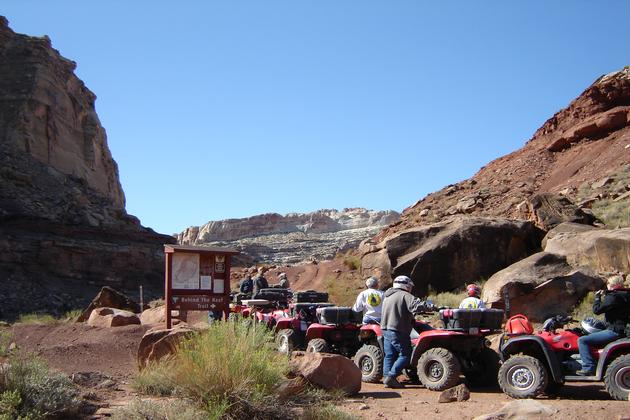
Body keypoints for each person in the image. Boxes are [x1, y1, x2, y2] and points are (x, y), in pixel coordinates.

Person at [381, 275, 436, 389]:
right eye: (409, 286)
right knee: (406, 354)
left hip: (385, 328)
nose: (410, 288)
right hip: (397, 329)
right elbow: (416, 306)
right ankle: (391, 377)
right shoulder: (405, 295)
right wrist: (430, 306)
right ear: (405, 285)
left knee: (389, 355)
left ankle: (386, 377)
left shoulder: (387, 295)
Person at [577, 274, 630, 375]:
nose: (607, 286)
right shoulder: (626, 294)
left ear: (613, 284)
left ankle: (588, 367)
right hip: (624, 329)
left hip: (614, 331)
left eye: (608, 284)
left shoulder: (613, 296)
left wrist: (597, 297)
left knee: (582, 340)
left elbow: (597, 310)